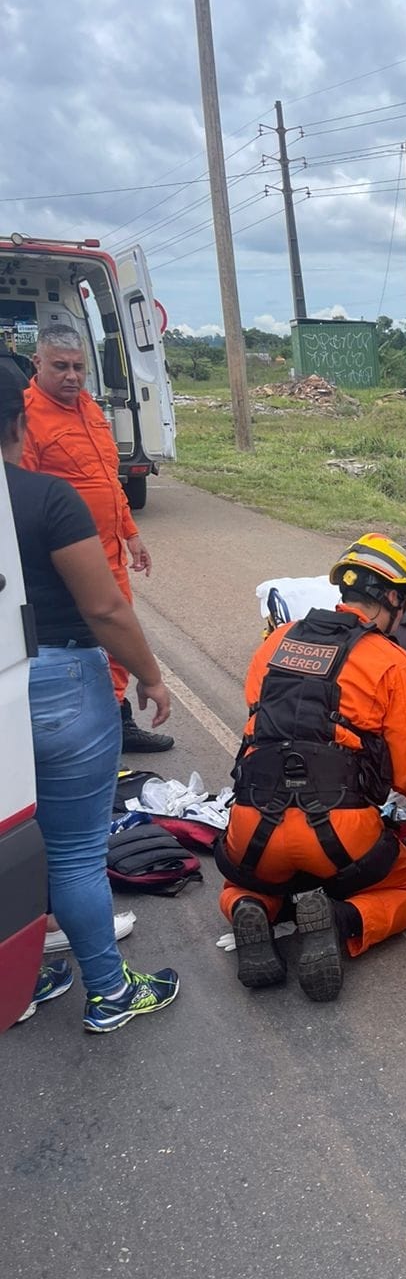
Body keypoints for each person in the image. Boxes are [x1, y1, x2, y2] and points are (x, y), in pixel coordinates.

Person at [2, 369, 179, 1033]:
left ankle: (24, 978)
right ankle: (110, 992)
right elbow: (104, 607)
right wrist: (151, 676)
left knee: (14, 844)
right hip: (57, 684)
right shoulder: (47, 501)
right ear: (20, 422)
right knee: (73, 849)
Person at [215, 536, 406, 1002]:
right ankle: (340, 920)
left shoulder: (276, 640)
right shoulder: (392, 662)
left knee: (245, 880)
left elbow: (260, 721)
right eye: (404, 605)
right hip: (340, 833)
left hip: (255, 823)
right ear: (392, 598)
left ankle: (249, 906)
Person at [21, 323, 171, 752]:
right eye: (60, 367)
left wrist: (132, 534)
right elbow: (25, 494)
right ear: (38, 363)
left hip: (109, 551)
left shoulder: (88, 407)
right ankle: (90, 732)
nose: (71, 376)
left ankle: (118, 721)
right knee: (87, 642)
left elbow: (108, 479)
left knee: (119, 638)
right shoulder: (28, 416)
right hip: (67, 558)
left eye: (79, 368)